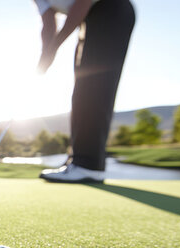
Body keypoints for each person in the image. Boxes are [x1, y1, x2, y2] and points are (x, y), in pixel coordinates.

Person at [33, 0, 136, 183]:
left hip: (112, 9)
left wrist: (54, 48)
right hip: (89, 19)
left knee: (95, 86)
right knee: (81, 88)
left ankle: (88, 166)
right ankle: (78, 161)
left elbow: (82, 3)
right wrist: (45, 54)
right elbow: (48, 22)